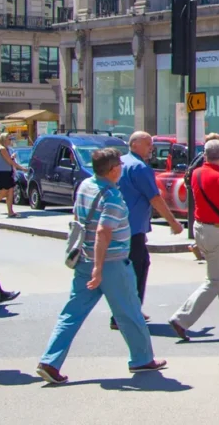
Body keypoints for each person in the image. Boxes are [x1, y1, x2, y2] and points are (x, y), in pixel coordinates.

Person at [35, 147, 167, 385]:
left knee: (71, 313)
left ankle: (50, 361)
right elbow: (103, 232)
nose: (121, 169)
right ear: (114, 169)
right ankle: (141, 358)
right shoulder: (112, 197)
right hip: (111, 263)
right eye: (120, 166)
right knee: (130, 312)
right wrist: (98, 268)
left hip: (84, 259)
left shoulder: (86, 185)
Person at [169, 139, 219, 341]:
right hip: (216, 231)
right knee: (215, 280)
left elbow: (215, 174)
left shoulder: (196, 174)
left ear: (205, 156)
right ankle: (181, 319)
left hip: (200, 228)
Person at [114, 132, 183, 329]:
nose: (151, 148)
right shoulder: (139, 167)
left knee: (124, 271)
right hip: (133, 228)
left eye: (151, 144)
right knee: (138, 268)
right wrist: (173, 222)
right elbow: (155, 198)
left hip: (119, 226)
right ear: (134, 144)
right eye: (147, 144)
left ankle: (124, 312)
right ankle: (128, 313)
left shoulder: (121, 163)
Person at [0, 132, 27, 218]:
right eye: (8, 138)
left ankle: (10, 212)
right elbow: (9, 161)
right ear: (4, 139)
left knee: (10, 192)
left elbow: (8, 160)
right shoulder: (2, 148)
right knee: (3, 194)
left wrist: (12, 157)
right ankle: (10, 212)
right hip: (2, 173)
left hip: (8, 172)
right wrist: (21, 168)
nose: (10, 140)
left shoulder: (7, 149)